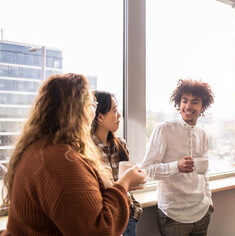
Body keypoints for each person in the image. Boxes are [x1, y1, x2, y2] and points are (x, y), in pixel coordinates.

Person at [1, 73, 146, 235]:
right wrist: (124, 183)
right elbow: (99, 229)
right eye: (91, 105)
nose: (93, 112)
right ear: (77, 111)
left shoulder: (39, 149)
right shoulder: (61, 161)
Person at [141, 78, 215, 236]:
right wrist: (176, 167)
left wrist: (209, 201)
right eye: (184, 101)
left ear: (203, 107)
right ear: (178, 103)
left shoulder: (202, 134)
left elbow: (204, 174)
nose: (188, 106)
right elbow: (147, 169)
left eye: (194, 102)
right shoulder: (164, 130)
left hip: (202, 212)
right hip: (174, 215)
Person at [91, 90, 142, 236]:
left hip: (129, 216)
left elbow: (126, 184)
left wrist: (134, 181)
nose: (119, 115)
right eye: (114, 111)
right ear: (99, 117)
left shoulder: (120, 144)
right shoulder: (88, 150)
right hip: (107, 220)